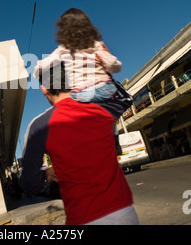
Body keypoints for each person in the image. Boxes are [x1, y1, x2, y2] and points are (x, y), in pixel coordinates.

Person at [19, 66, 139, 225]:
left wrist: (47, 173)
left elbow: (29, 183)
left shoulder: (39, 126)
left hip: (83, 217)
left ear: (43, 89)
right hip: (124, 211)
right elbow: (126, 98)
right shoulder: (100, 108)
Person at [33, 8, 122, 103]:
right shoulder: (95, 45)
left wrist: (36, 73)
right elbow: (112, 65)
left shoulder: (62, 50)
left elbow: (41, 66)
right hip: (105, 89)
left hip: (81, 94)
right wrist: (114, 61)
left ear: (63, 31)